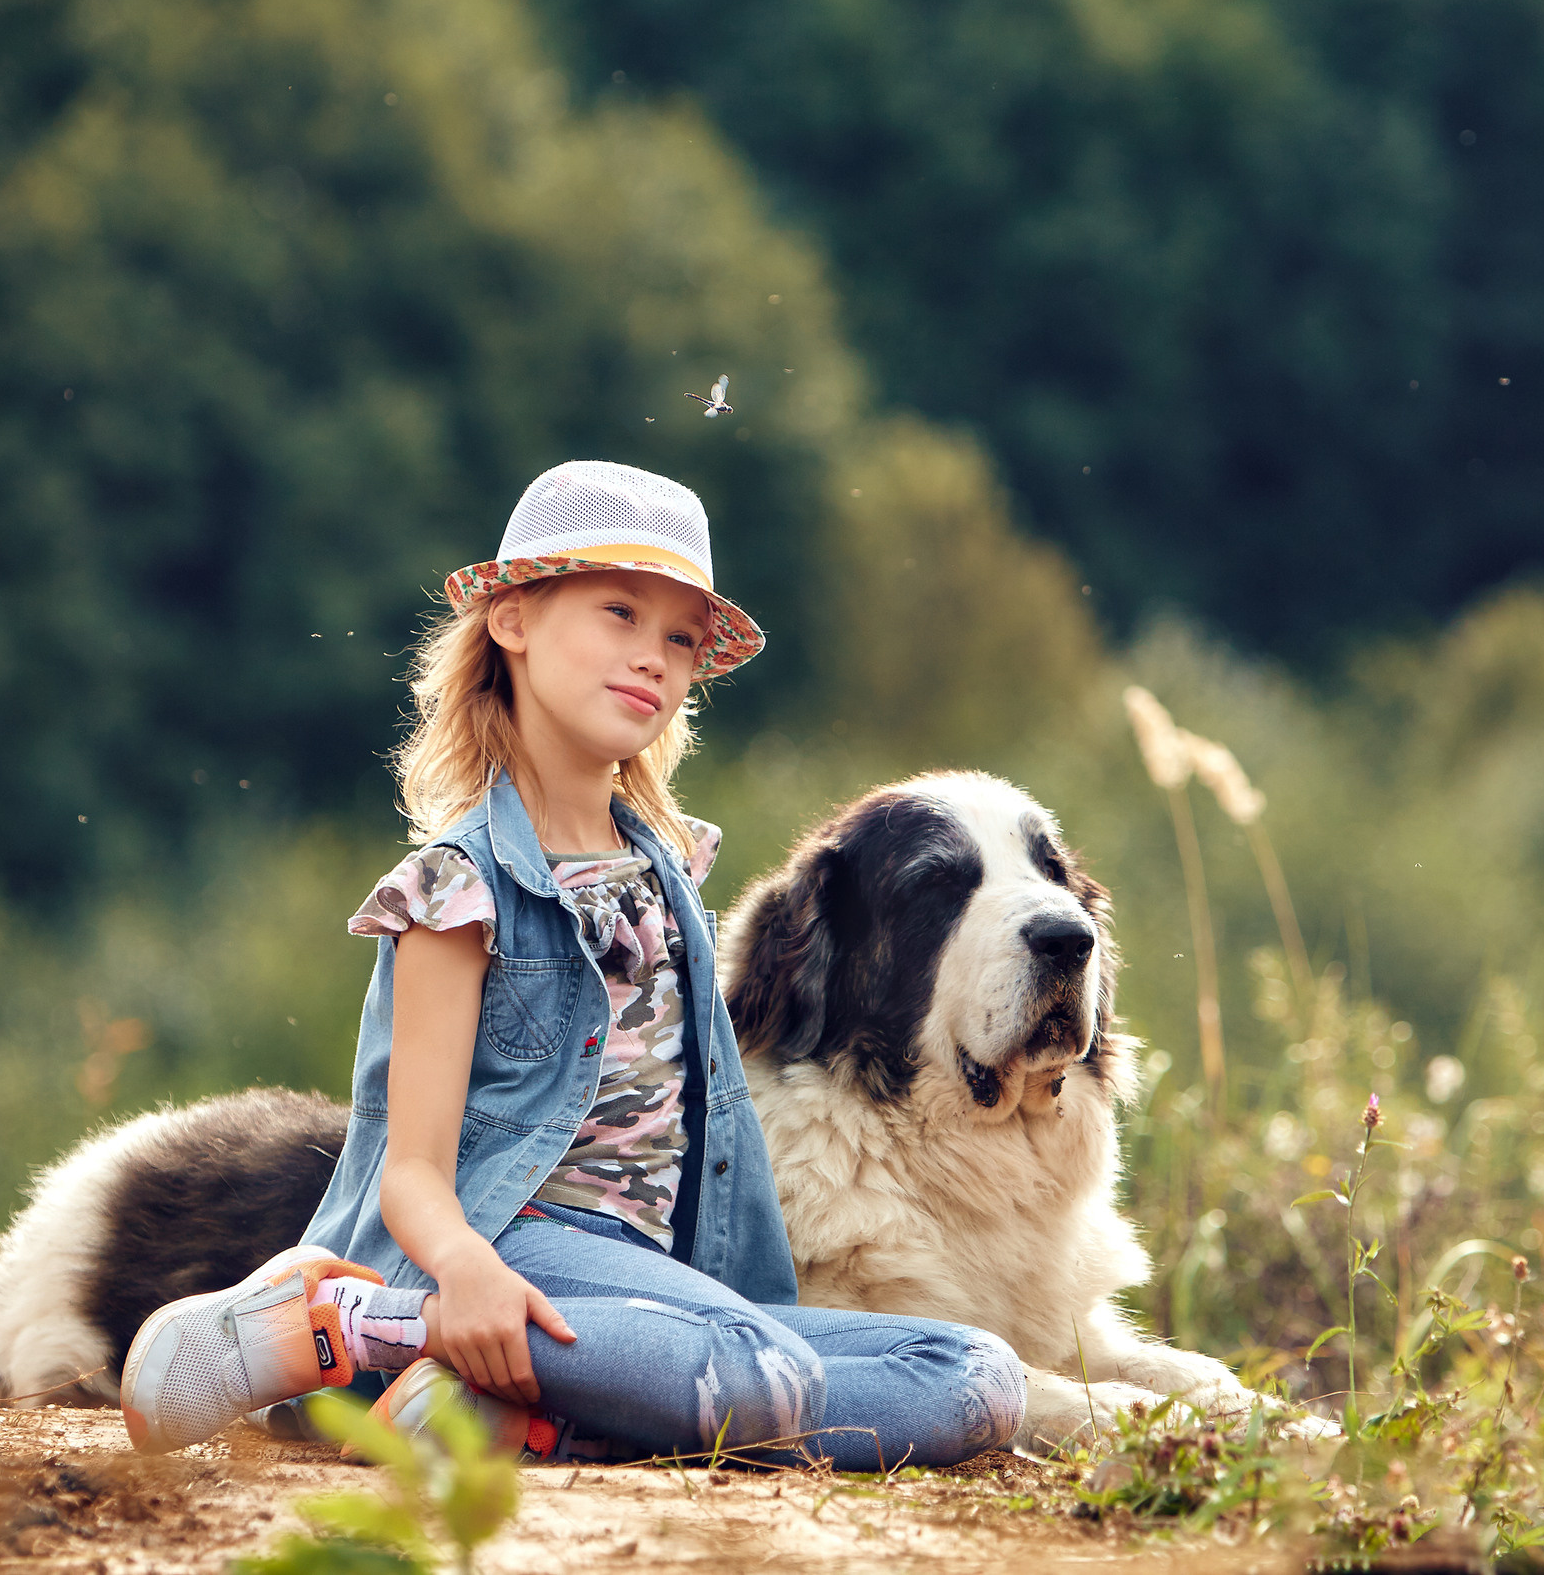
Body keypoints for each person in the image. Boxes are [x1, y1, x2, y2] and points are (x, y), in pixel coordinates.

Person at [117, 460, 1024, 1467]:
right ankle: (357, 1327)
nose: (654, 659)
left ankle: (519, 1410)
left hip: (658, 1284)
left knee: (978, 1380)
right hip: (497, 1249)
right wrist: (464, 1276)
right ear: (513, 620)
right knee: (753, 1368)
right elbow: (409, 1172)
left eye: (679, 637)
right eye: (619, 613)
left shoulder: (668, 874)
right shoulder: (458, 891)